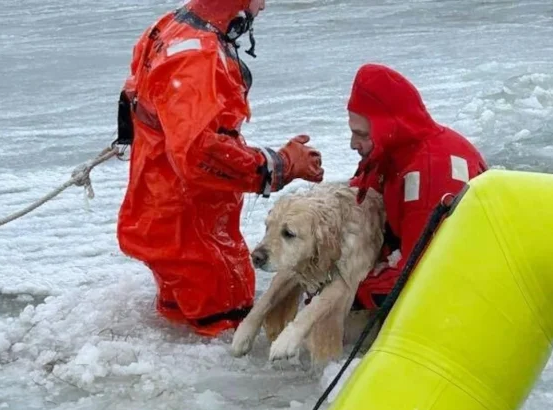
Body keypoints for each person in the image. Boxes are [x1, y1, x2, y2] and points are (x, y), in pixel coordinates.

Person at [114, 0, 324, 337]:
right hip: (193, 228)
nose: (264, 5)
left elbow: (135, 98)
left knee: (180, 326)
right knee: (226, 330)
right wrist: (280, 165)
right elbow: (198, 154)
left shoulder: (173, 26)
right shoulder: (198, 57)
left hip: (160, 211)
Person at [346, 63, 489, 311]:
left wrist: (347, 290)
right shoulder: (390, 154)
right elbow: (355, 200)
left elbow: (419, 276)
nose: (352, 144)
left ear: (387, 126)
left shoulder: (432, 173)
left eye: (361, 134)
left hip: (463, 294)